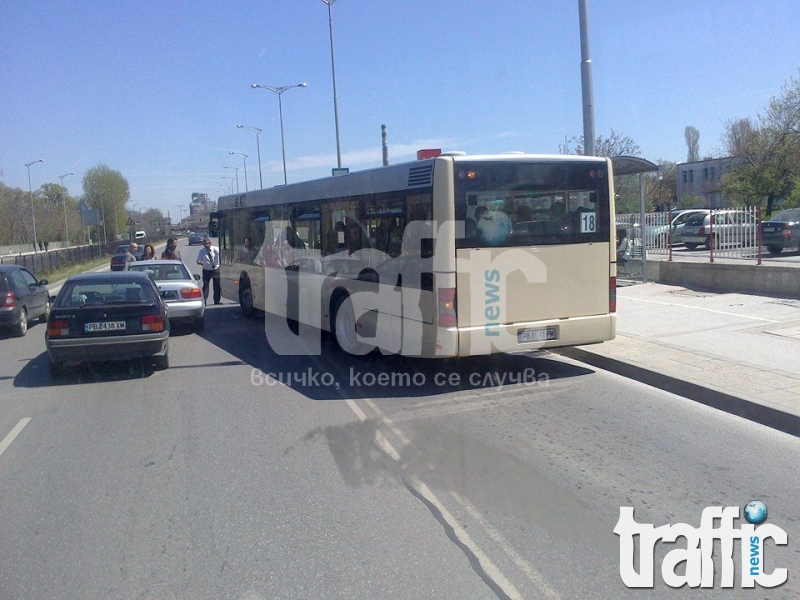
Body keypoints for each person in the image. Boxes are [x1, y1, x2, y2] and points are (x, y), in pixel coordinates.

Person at [196, 236, 221, 305]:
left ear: (210, 243)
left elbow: (222, 256)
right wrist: (200, 262)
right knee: (206, 286)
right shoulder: (202, 252)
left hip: (216, 269)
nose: (206, 245)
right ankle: (204, 301)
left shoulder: (216, 249)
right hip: (206, 270)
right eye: (205, 244)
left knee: (217, 285)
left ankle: (217, 300)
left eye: (207, 244)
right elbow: (198, 260)